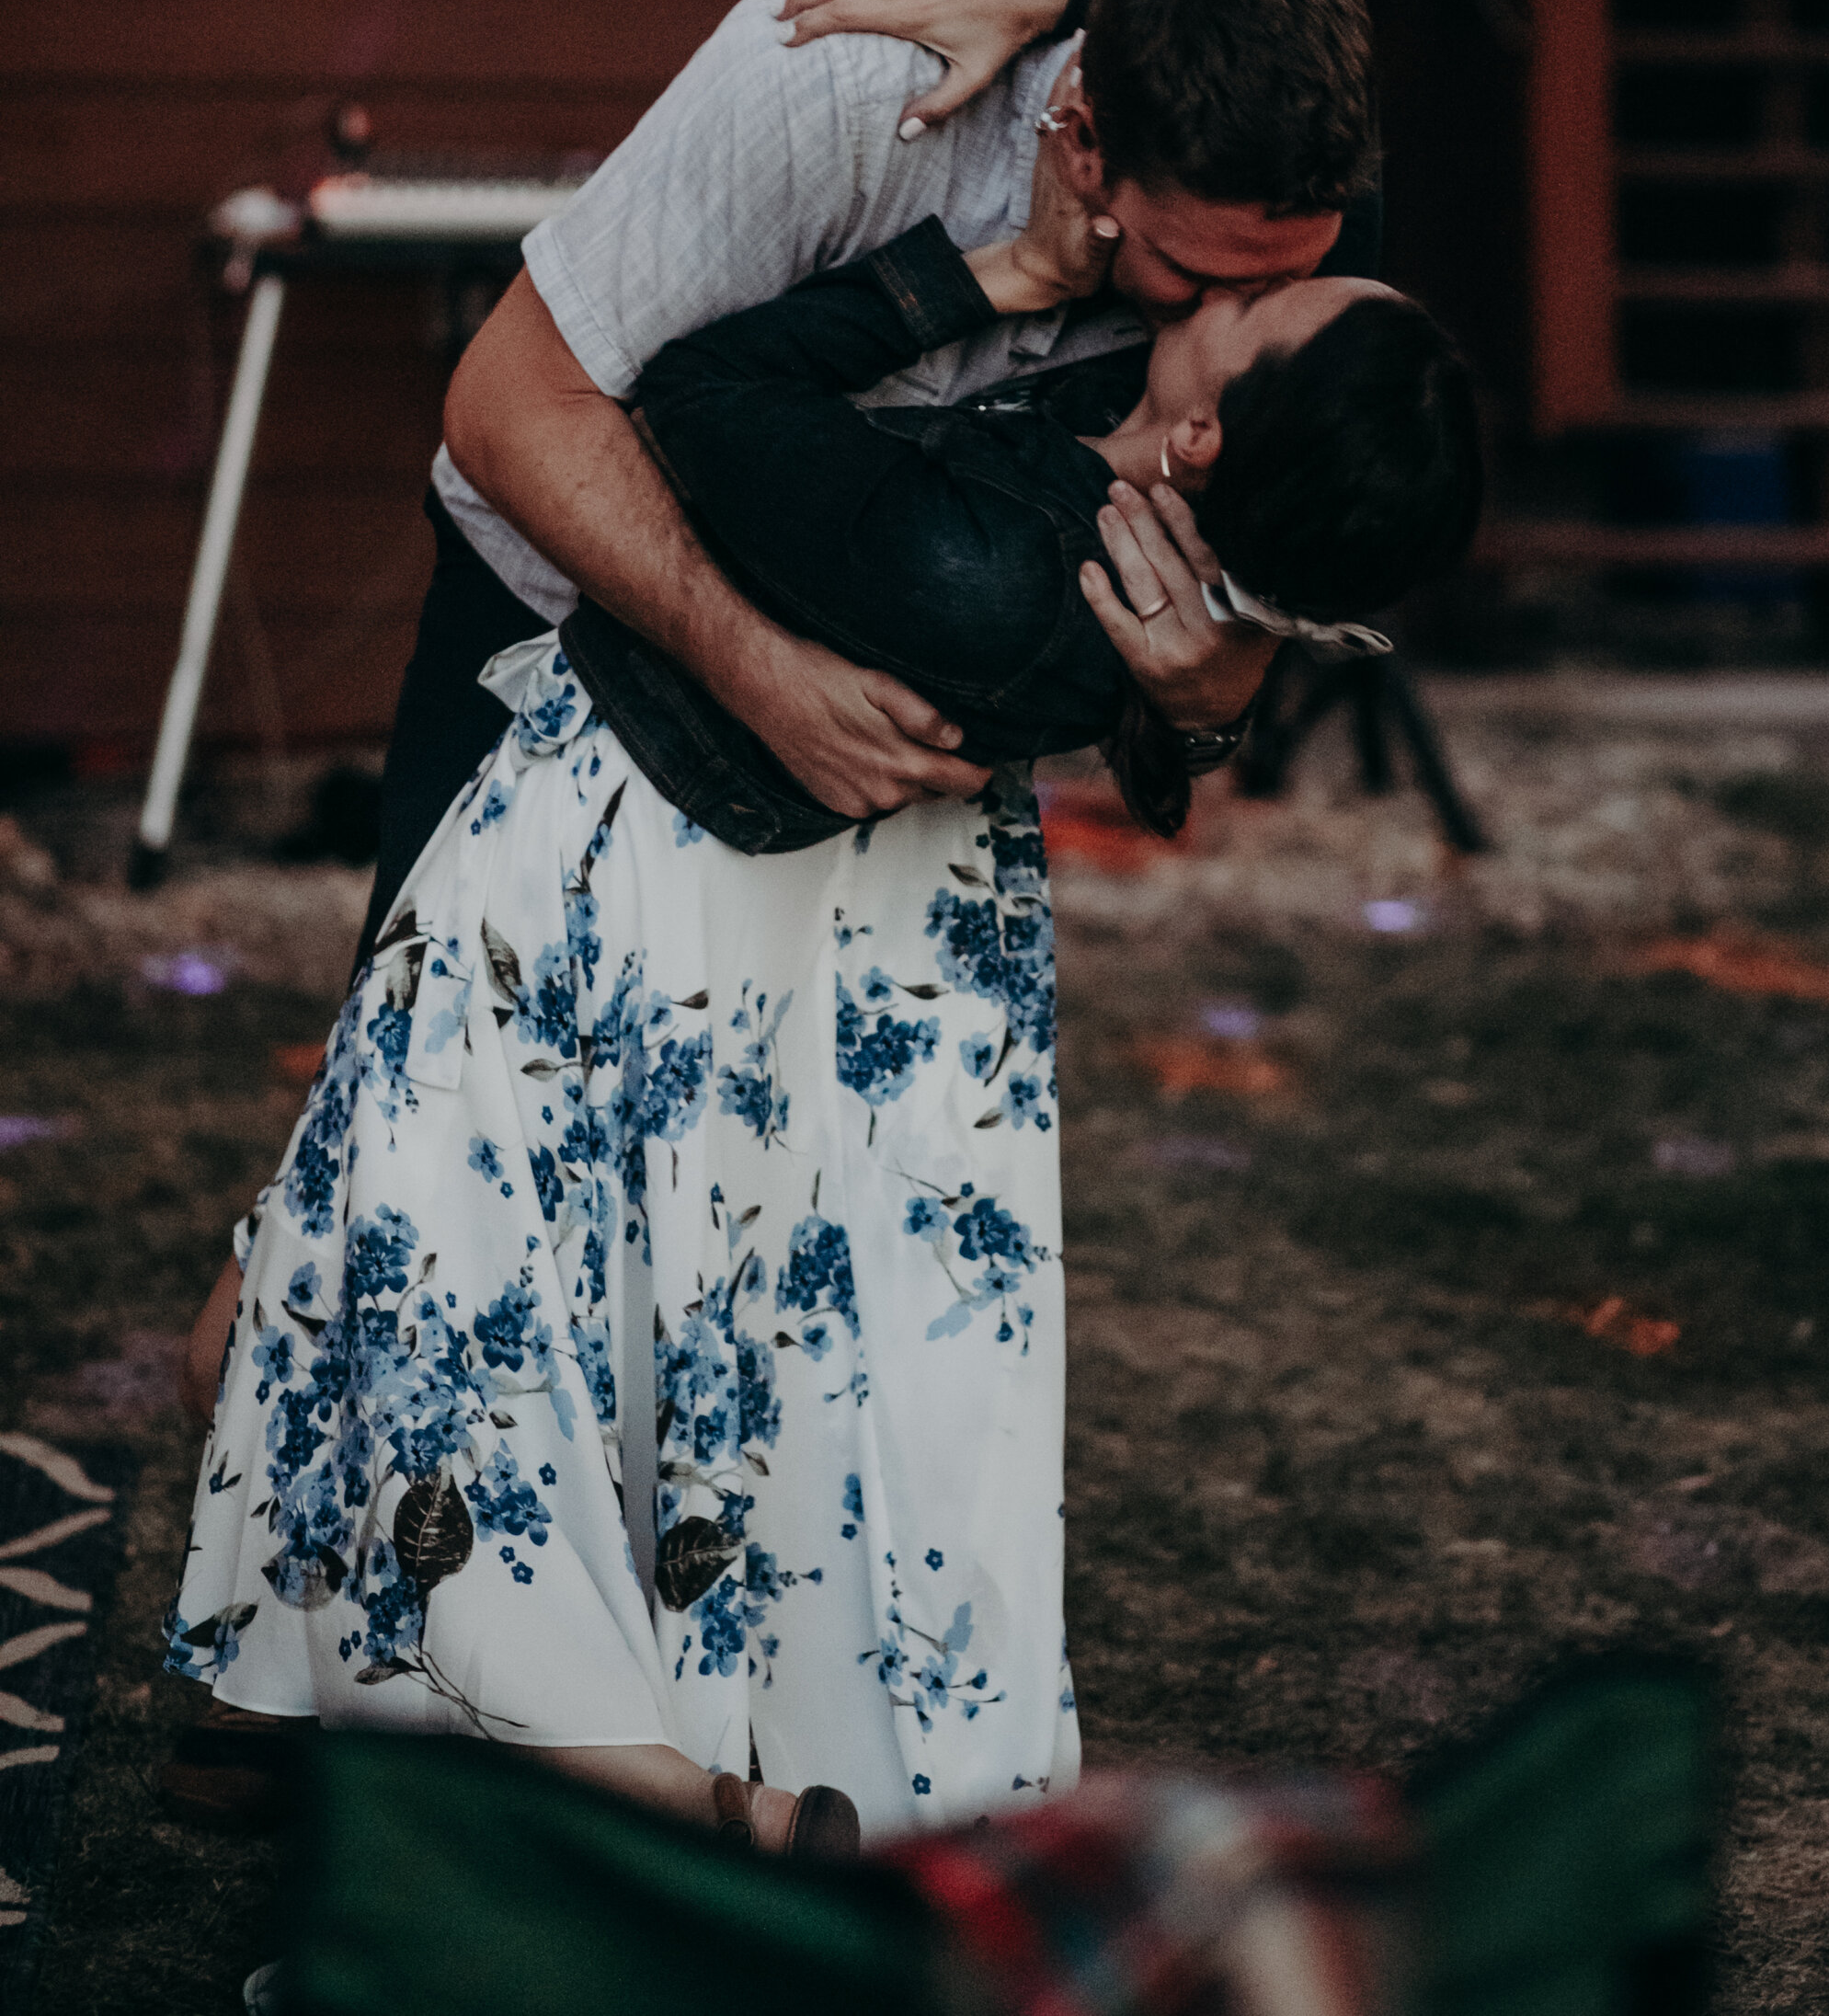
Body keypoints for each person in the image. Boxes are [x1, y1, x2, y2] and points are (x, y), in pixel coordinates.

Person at [166, 119, 1482, 1855]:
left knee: (369, 1339)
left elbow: (703, 411)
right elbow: (1299, 136)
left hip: (634, 896)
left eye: (1265, 309)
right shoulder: (1151, 504)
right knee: (452, 1342)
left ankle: (635, 1795)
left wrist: (982, 277)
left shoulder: (990, 550)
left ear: (1209, 425)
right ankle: (376, 1727)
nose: (1271, 275)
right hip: (742, 913)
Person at [359, 0, 1386, 967]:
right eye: (1194, 276)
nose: (1232, 319)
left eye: (1277, 286)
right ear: (1082, 142)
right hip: (565, 647)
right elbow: (509, 405)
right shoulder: (841, 84)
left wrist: (1215, 697)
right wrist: (757, 670)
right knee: (451, 1091)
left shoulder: (1282, 236)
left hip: (897, 794)